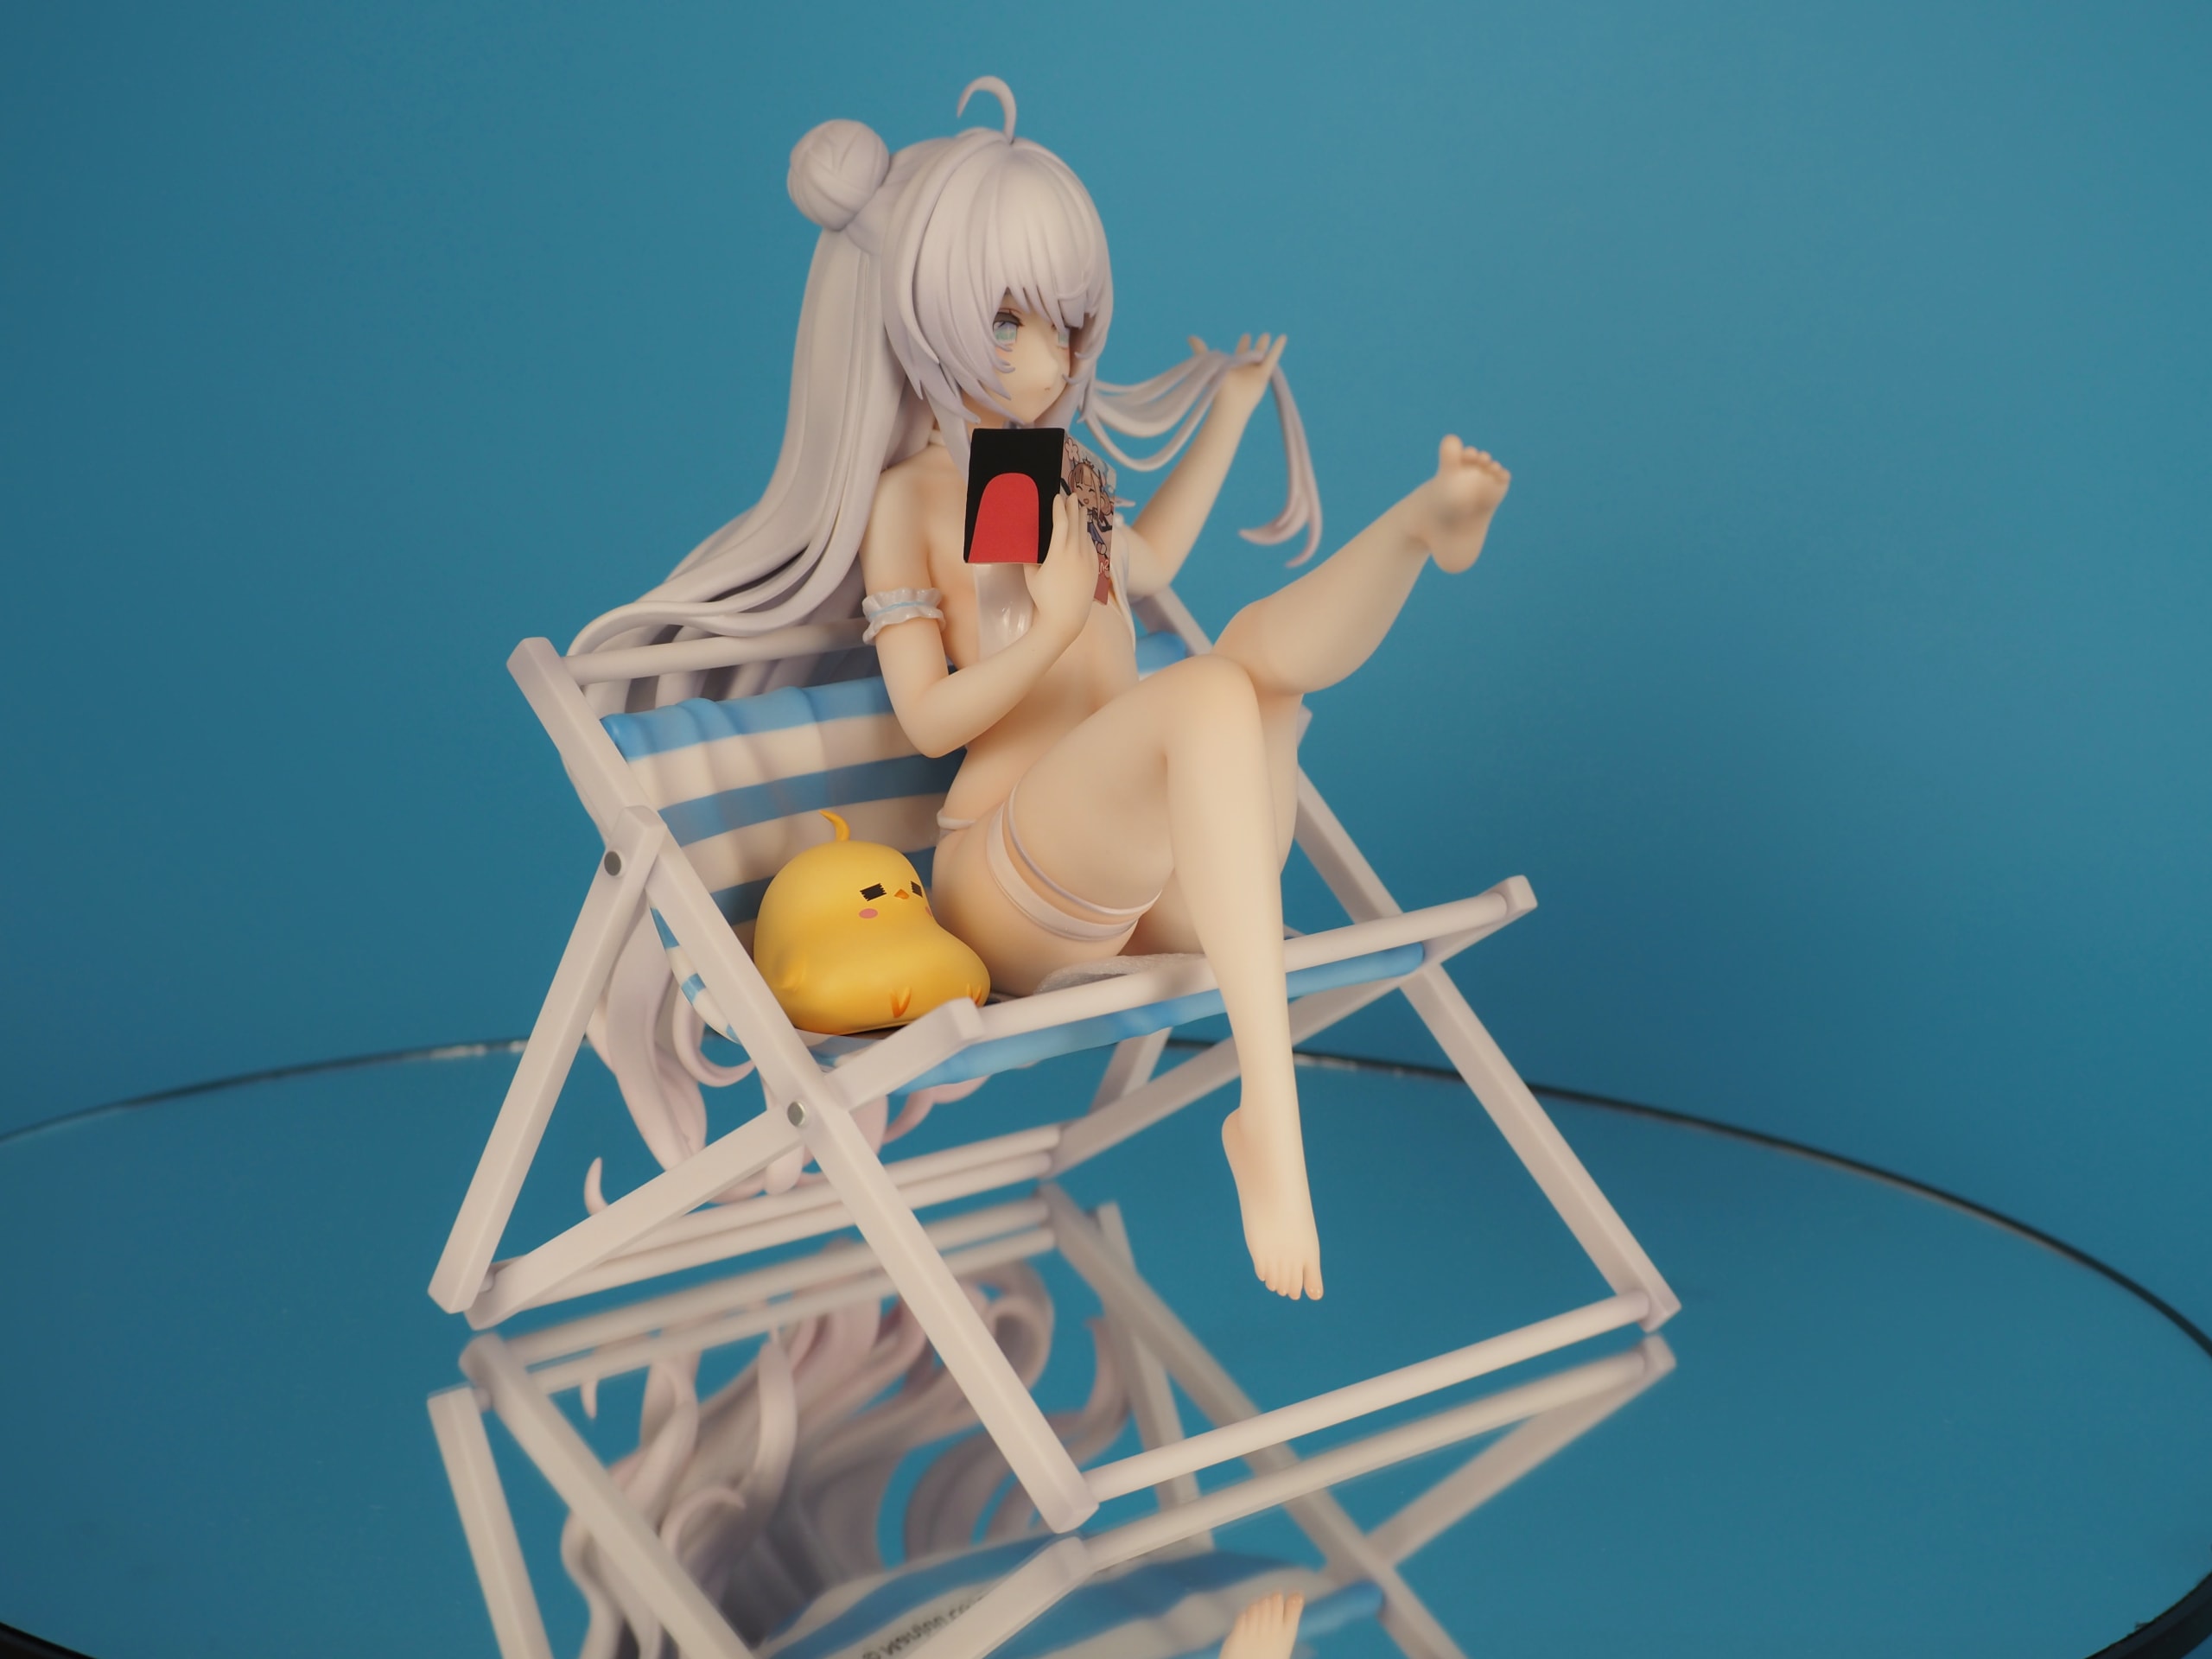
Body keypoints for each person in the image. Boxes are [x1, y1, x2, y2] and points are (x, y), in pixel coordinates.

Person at [574, 79, 1510, 1301]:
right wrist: (1053, 623)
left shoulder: (1060, 467)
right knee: (1212, 694)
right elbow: (928, 719)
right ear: (924, 320)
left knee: (1254, 667)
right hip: (1009, 878)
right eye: (1009, 320)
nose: (1049, 356)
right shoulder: (913, 502)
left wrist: (1228, 417)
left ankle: (1416, 532)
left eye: (1066, 321)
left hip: (1149, 884)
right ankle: (1270, 1119)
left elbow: (1150, 567)